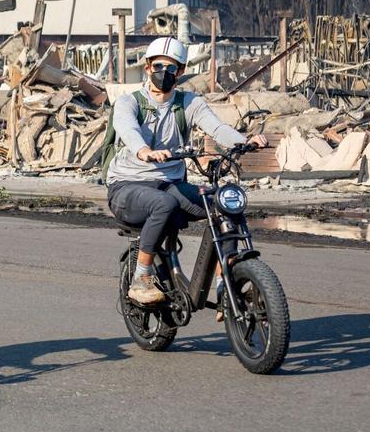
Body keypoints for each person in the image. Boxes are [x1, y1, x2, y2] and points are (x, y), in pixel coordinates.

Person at [106, 37, 267, 306]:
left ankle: (226, 283)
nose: (164, 72)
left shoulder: (189, 103)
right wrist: (144, 151)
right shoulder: (129, 102)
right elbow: (127, 128)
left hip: (170, 183)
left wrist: (244, 141)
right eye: (158, 66)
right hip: (128, 185)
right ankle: (141, 277)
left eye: (172, 68)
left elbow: (216, 128)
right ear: (147, 67)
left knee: (223, 203)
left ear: (180, 72)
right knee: (164, 203)